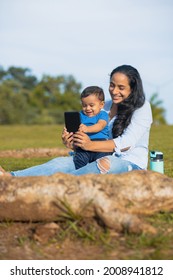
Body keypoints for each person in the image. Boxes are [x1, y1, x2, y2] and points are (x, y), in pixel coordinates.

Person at [0, 65, 153, 177]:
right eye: (112, 85)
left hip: (129, 163)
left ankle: (59, 185)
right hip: (91, 155)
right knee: (60, 163)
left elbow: (127, 143)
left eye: (121, 87)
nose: (114, 91)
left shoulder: (142, 107)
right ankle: (11, 177)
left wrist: (90, 144)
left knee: (105, 164)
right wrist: (74, 142)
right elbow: (88, 134)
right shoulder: (103, 107)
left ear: (132, 89)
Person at [73, 85, 112, 169]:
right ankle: (80, 174)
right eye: (84, 105)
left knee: (102, 161)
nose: (87, 108)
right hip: (83, 145)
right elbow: (75, 127)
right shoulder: (80, 115)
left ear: (101, 105)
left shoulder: (103, 114)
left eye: (91, 105)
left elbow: (100, 125)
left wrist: (87, 129)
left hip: (100, 145)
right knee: (79, 160)